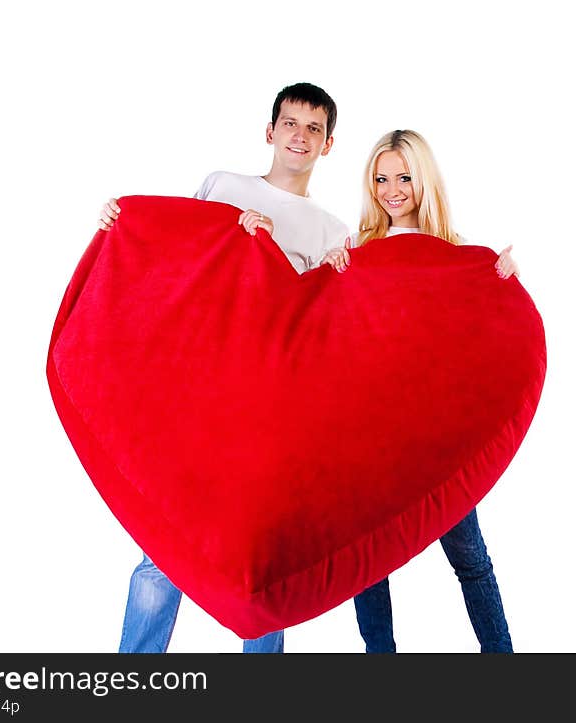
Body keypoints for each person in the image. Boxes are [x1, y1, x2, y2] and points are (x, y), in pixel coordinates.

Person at [98, 82, 349, 654]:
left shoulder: (332, 231)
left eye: (314, 129)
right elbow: (174, 257)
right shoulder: (223, 186)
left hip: (267, 412)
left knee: (257, 567)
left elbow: (319, 329)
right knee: (163, 552)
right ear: (270, 131)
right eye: (291, 123)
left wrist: (324, 270)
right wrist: (124, 223)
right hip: (196, 395)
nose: (300, 136)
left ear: (328, 145)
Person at [321, 129, 517, 652]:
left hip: (435, 438)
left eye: (404, 177)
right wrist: (335, 272)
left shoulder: (455, 255)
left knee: (469, 556)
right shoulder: (357, 249)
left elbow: (481, 343)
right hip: (371, 435)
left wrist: (504, 283)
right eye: (381, 179)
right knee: (368, 566)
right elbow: (332, 336)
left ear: (423, 180)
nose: (391, 190)